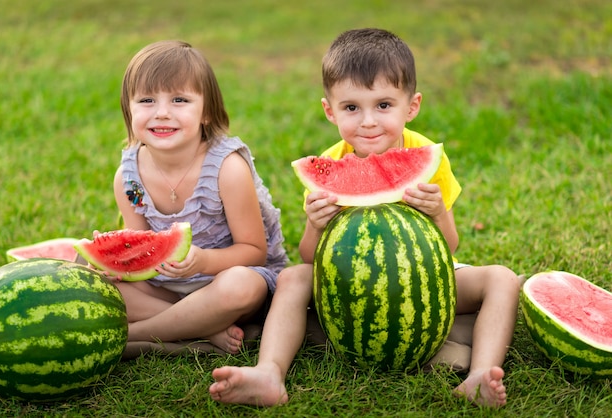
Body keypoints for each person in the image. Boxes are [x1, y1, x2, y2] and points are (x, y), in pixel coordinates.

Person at [208, 28, 521, 408]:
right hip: (347, 284)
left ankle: (478, 375)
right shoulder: (330, 162)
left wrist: (437, 212)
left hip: (425, 279)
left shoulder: (428, 156)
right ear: (330, 110)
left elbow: (449, 246)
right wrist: (315, 223)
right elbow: (311, 256)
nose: (369, 122)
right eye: (352, 108)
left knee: (502, 279)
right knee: (292, 277)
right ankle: (269, 372)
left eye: (384, 105)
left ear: (412, 105)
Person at [110, 40, 287, 354]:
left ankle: (137, 335)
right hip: (163, 289)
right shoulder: (128, 178)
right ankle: (200, 331)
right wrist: (116, 263)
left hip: (223, 283)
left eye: (180, 100)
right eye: (147, 100)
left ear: (207, 112)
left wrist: (203, 261)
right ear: (129, 108)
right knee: (84, 266)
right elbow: (138, 249)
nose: (162, 113)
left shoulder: (226, 169)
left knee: (239, 287)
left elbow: (254, 252)